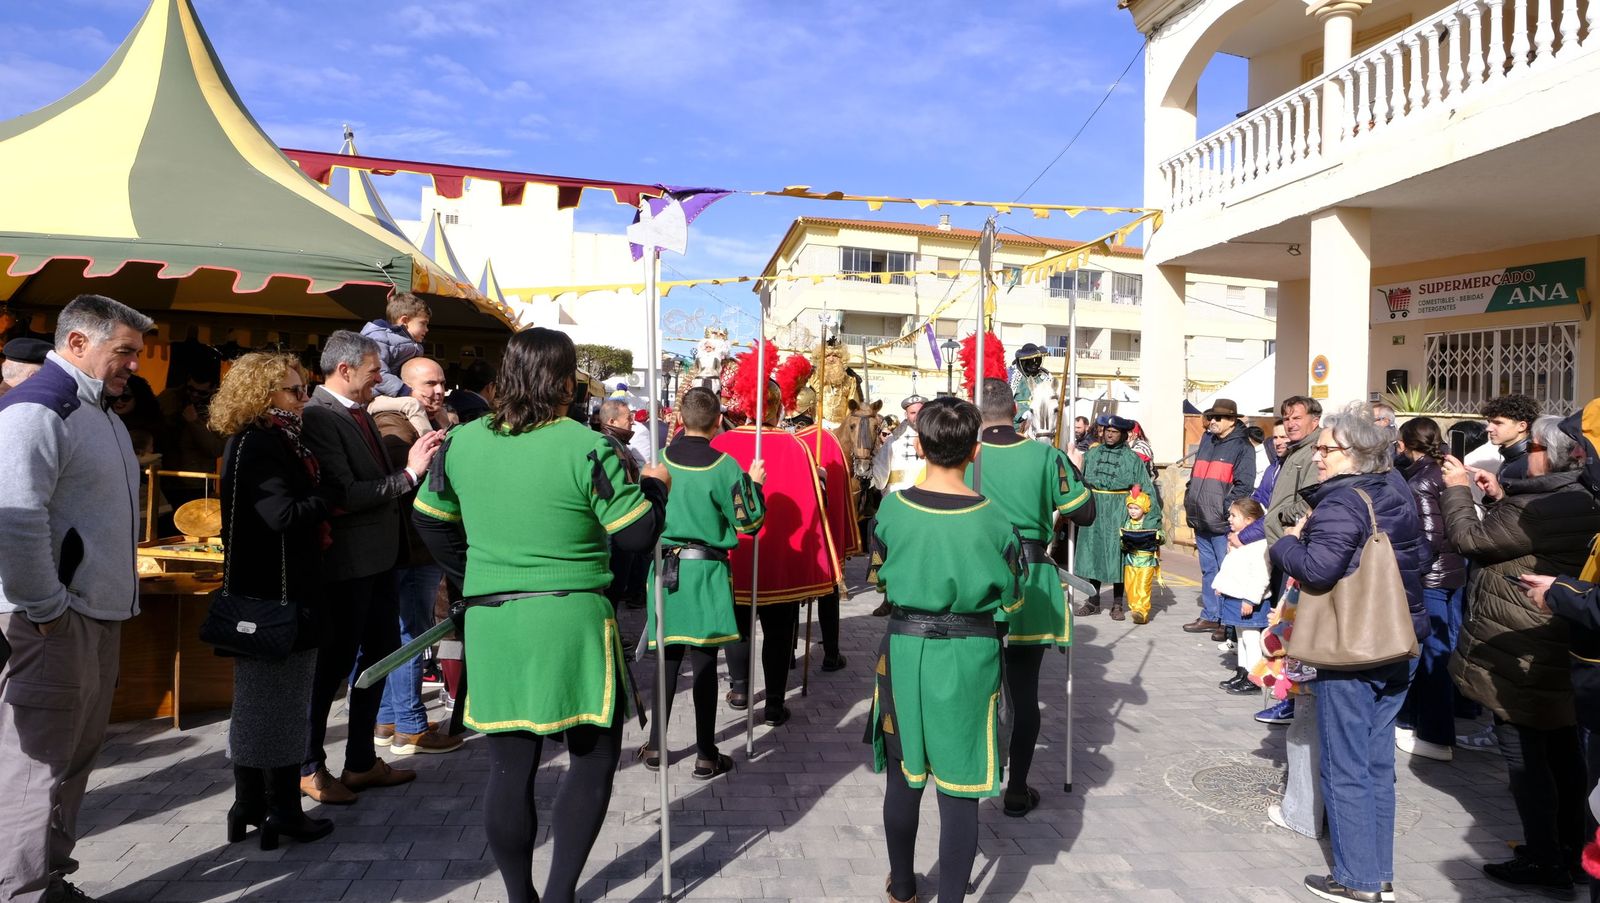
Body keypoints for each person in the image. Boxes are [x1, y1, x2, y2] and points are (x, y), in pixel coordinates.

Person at [412, 327, 668, 903]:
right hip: (570, 617)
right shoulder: (586, 444)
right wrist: (655, 489)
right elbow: (636, 537)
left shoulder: (461, 441)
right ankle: (558, 895)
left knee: (509, 764)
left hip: (493, 620)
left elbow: (428, 517)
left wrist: (473, 577)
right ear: (565, 380)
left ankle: (521, 897)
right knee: (593, 758)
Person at [0, 294, 152, 903]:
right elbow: (14, 519)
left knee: (72, 762)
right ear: (78, 344)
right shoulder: (38, 410)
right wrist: (47, 609)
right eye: (125, 351)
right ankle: (20, 891)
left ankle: (46, 879)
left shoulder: (96, 410)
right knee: (36, 771)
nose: (134, 364)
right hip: (55, 621)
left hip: (90, 615)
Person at [1270, 402, 1427, 903]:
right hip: (1401, 640)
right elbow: (1420, 556)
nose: (1318, 456)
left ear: (1357, 454)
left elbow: (1317, 570)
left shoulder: (1342, 503)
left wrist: (1285, 545)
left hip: (1352, 649)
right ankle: (1377, 872)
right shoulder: (1395, 491)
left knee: (1346, 765)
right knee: (1377, 763)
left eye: (1327, 449)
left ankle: (1357, 881)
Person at [868, 396, 1023, 903]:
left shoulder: (892, 507)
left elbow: (879, 581)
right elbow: (1013, 598)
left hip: (905, 650)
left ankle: (904, 885)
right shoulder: (996, 520)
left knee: (904, 775)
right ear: (974, 451)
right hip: (970, 655)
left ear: (919, 443)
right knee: (960, 789)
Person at [1442, 414, 1600, 893]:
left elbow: (1471, 540)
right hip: (1555, 638)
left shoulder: (1547, 505)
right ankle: (1573, 851)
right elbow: (1524, 538)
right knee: (1562, 751)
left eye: (1530, 446)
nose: (1522, 452)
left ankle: (1545, 859)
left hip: (1524, 642)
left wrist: (1456, 491)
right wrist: (1500, 497)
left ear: (1552, 454)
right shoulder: (1573, 496)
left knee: (1525, 757)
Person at [297, 330, 444, 804]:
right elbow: (343, 495)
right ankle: (310, 766)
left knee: (380, 659)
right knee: (335, 667)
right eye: (373, 369)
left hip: (381, 561)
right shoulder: (321, 415)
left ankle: (360, 761)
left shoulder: (358, 412)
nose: (381, 377)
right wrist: (410, 474)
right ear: (345, 370)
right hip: (349, 567)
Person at [207, 352, 336, 850]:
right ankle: (280, 809)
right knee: (280, 706)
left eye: (302, 389)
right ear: (262, 396)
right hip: (275, 601)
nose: (302, 399)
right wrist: (329, 496)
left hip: (263, 595)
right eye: (292, 391)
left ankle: (251, 805)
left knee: (262, 705)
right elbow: (281, 514)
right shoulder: (262, 443)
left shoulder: (259, 440)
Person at [969, 380, 1090, 815]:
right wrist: (1074, 469)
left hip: (976, 580)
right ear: (1015, 410)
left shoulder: (965, 456)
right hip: (1031, 580)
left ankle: (970, 783)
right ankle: (1017, 790)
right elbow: (1084, 512)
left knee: (976, 690)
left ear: (975, 412)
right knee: (1024, 694)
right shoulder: (1045, 455)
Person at [637, 386, 765, 779]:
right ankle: (707, 753)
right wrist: (754, 484)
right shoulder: (726, 466)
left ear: (680, 418)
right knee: (706, 664)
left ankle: (658, 745)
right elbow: (751, 523)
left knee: (667, 659)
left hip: (666, 572)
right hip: (706, 572)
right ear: (716, 422)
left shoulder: (656, 462)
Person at [712, 375, 838, 725]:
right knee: (780, 630)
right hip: (782, 558)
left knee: (737, 625)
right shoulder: (798, 446)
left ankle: (739, 689)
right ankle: (774, 702)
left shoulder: (721, 444)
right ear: (778, 406)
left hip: (736, 552)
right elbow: (817, 505)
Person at [369, 358, 462, 756]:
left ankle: (389, 720)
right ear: (407, 386)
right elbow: (408, 471)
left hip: (415, 545)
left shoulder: (427, 418)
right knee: (413, 633)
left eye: (442, 383)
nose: (438, 391)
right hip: (411, 545)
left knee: (403, 633)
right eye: (429, 385)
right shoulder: (395, 420)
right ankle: (410, 727)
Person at [1394, 417, 1466, 763]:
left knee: (1432, 657)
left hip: (1433, 578)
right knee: (1437, 651)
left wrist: (1413, 570)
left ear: (1407, 443)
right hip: (1450, 573)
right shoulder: (1446, 469)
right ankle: (1416, 723)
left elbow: (1428, 536)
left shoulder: (1422, 479)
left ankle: (1436, 736)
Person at [1074, 415, 1161, 619]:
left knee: (1118, 557)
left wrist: (1151, 519)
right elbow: (1079, 481)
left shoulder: (1132, 459)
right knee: (1093, 555)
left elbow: (1146, 488)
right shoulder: (1092, 454)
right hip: (1094, 509)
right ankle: (1093, 601)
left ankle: (1117, 604)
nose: (1109, 434)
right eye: (1107, 431)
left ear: (1123, 434)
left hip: (1118, 511)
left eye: (1114, 432)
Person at [1183, 398, 1255, 638]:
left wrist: (1226, 510)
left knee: (1228, 571)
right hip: (1200, 518)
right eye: (1211, 417)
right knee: (1208, 570)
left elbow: (1244, 485)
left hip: (1222, 521)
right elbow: (1195, 475)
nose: (1212, 421)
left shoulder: (1243, 447)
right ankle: (1211, 616)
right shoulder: (1207, 440)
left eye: (1218, 418)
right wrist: (1189, 497)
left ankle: (1228, 622)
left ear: (1232, 420)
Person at [1215, 499, 1270, 693]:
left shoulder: (1259, 545)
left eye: (1233, 516)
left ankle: (1254, 678)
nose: (1229, 519)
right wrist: (1222, 585)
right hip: (1235, 595)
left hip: (1248, 599)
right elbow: (1230, 567)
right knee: (1241, 636)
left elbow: (1261, 576)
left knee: (1251, 637)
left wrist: (1250, 600)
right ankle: (1242, 672)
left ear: (1249, 520)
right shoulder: (1237, 540)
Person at [360, 292, 429, 398]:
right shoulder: (378, 338)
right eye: (423, 323)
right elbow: (377, 372)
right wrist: (406, 391)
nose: (426, 329)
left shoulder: (416, 346)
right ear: (404, 321)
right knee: (413, 407)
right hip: (374, 395)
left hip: (398, 393)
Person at [1120, 488, 1162, 624]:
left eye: (1136, 508)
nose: (1132, 511)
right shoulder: (1127, 523)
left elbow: (1163, 537)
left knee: (1143, 587)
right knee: (1131, 588)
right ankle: (1134, 610)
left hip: (1147, 561)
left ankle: (1142, 612)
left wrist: (1158, 537)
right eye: (1130, 508)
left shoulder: (1151, 523)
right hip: (1130, 560)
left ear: (1144, 508)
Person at [873, 394, 927, 494]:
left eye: (920, 412)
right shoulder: (893, 441)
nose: (917, 416)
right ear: (906, 415)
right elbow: (880, 470)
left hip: (925, 495)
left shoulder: (934, 439)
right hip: (897, 494)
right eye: (913, 413)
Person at [1480, 393, 1541, 481]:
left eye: (1498, 423)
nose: (1488, 428)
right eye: (1489, 422)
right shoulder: (1512, 456)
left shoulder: (1535, 461)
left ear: (1521, 426)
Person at [447, 357, 496, 424]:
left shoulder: (446, 407)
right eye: (495, 387)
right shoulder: (486, 417)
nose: (495, 391)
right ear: (490, 387)